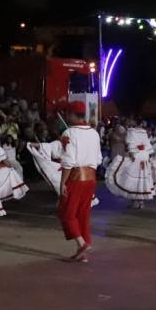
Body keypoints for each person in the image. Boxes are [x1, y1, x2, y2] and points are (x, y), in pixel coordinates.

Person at [57, 101, 101, 262]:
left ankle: (81, 243)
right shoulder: (94, 133)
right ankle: (83, 251)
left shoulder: (69, 133)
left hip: (76, 178)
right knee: (83, 214)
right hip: (91, 178)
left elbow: (68, 161)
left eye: (68, 114)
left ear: (73, 115)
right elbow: (98, 158)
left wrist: (63, 182)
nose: (67, 117)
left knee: (66, 212)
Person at [105, 118, 156, 208]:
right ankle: (140, 202)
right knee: (142, 177)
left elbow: (130, 143)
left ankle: (135, 202)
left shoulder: (131, 131)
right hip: (144, 156)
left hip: (136, 156)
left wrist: (132, 153)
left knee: (132, 179)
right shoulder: (144, 132)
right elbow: (148, 146)